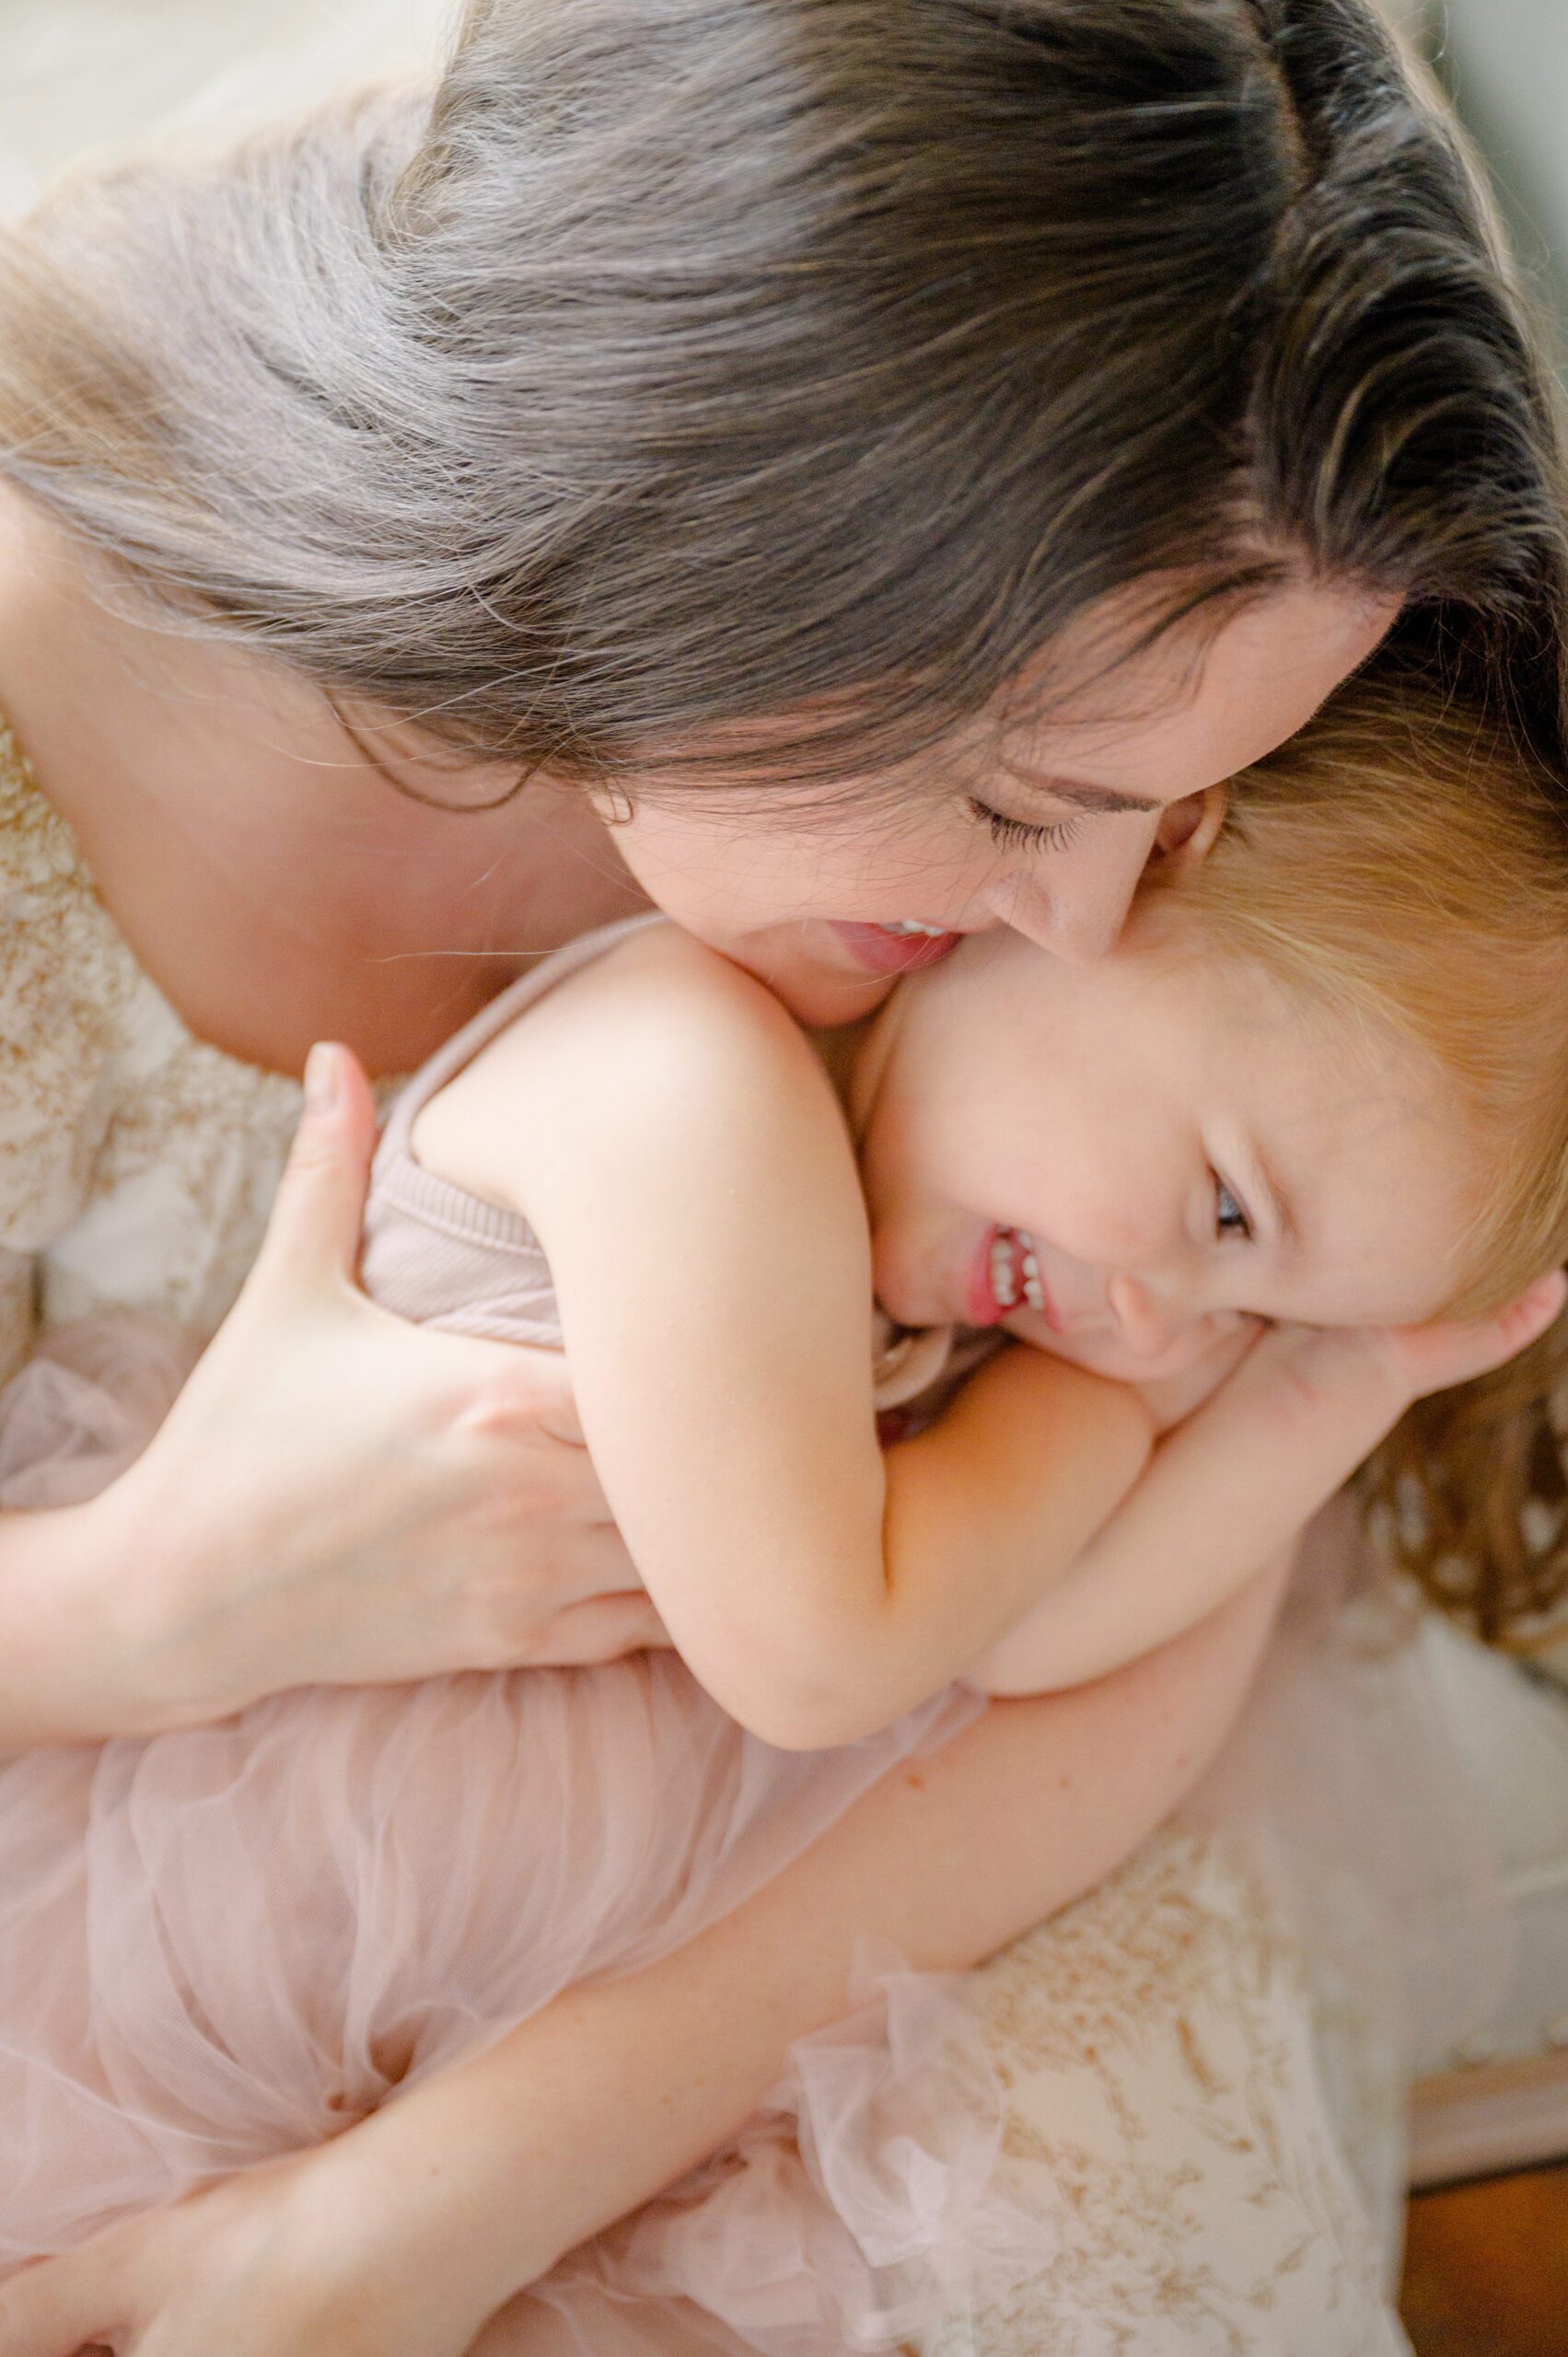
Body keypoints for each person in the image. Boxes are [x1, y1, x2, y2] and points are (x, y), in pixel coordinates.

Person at [0, 1, 1562, 2348]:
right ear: (717, 549)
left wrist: (422, 2209)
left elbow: (1064, 1682)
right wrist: (149, 1598)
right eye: (1029, 800)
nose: (1091, 911)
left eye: (1197, 810)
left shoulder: (1204, 577)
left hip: (748, 1910)